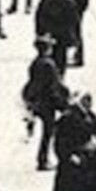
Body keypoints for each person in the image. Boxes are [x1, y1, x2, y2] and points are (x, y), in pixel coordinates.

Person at [22, 36, 66, 171]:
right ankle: (43, 159)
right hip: (48, 102)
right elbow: (54, 86)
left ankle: (43, 158)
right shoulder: (49, 65)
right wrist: (62, 102)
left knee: (47, 130)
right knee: (48, 132)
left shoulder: (35, 63)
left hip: (37, 100)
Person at [34, 0, 80, 76]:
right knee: (60, 62)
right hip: (62, 37)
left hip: (48, 35)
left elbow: (39, 16)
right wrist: (75, 38)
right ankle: (57, 81)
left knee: (45, 58)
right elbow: (74, 22)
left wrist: (39, 32)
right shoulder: (69, 2)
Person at [57, 0, 89, 67]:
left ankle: (79, 58)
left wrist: (78, 10)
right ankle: (76, 56)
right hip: (73, 11)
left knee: (76, 33)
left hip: (75, 11)